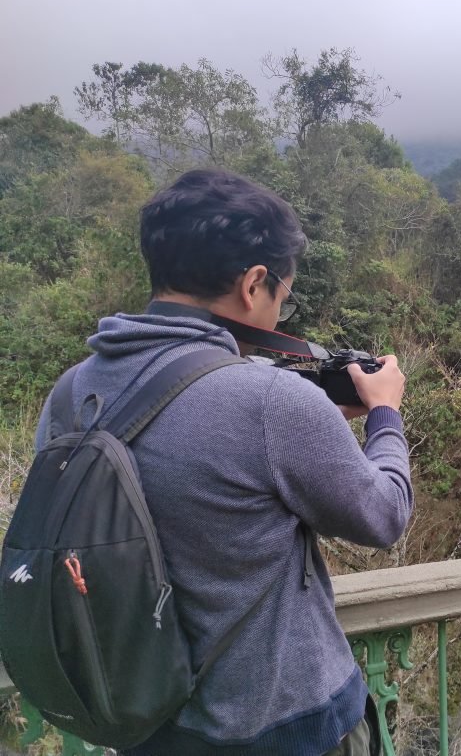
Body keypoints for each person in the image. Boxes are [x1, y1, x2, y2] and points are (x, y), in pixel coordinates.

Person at [33, 168, 412, 755]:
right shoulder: (272, 402)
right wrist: (384, 413)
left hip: (145, 725)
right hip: (289, 727)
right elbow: (383, 517)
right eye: (282, 298)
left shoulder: (69, 395)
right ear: (254, 283)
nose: (277, 316)